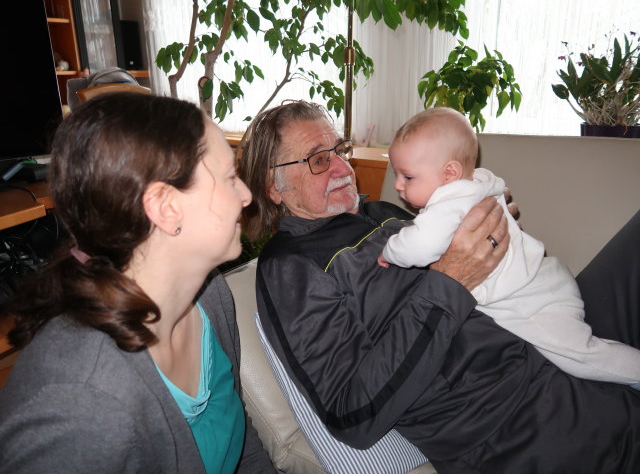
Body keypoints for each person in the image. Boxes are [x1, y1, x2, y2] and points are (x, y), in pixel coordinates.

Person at [237, 100, 640, 473]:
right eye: (320, 160)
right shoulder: (291, 269)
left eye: (341, 150)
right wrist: (450, 280)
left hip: (544, 334)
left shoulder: (383, 211)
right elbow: (352, 413)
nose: (344, 168)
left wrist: (498, 231)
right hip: (517, 421)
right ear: (274, 188)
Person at [0, 93, 275, 473]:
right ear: (166, 207)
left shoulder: (210, 294)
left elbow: (241, 442)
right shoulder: (81, 404)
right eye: (230, 177)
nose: (246, 196)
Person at [377, 107, 640, 387]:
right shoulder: (478, 182)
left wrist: (389, 251)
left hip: (530, 306)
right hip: (545, 277)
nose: (397, 186)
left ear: (449, 172)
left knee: (582, 356)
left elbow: (421, 246)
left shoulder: (449, 200)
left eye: (408, 177)